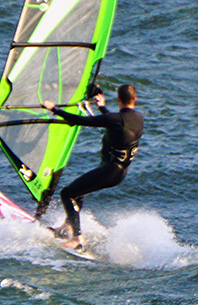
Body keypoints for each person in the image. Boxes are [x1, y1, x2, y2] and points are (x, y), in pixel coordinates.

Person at [40, 84, 144, 248]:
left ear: (118, 99)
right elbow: (116, 122)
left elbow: (78, 120)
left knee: (67, 193)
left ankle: (77, 238)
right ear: (135, 99)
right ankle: (66, 227)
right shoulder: (139, 118)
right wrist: (102, 107)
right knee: (78, 192)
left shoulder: (114, 119)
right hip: (120, 172)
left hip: (110, 170)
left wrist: (54, 109)